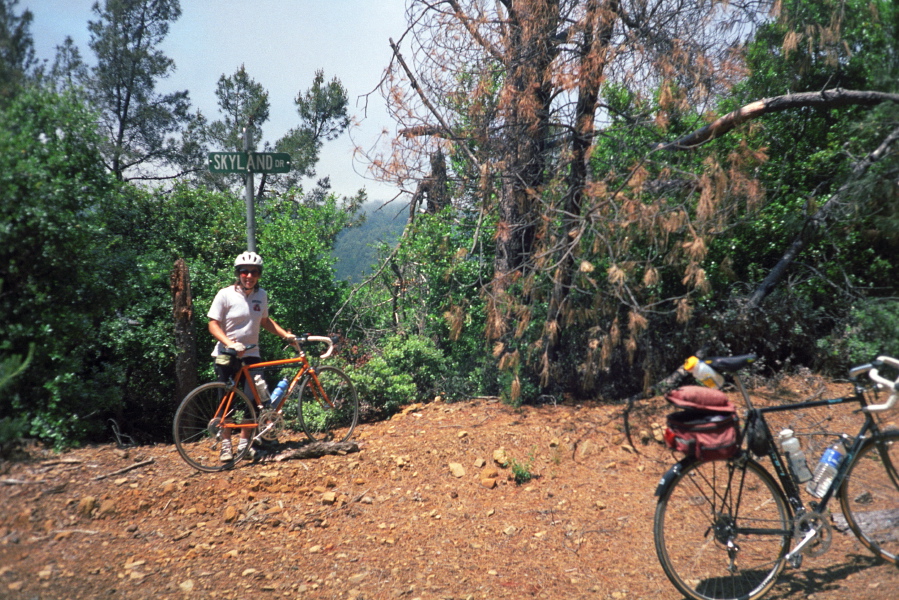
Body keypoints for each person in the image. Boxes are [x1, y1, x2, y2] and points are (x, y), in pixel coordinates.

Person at [208, 251, 295, 461]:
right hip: (226, 355)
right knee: (226, 401)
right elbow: (213, 324)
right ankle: (226, 447)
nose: (249, 276)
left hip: (252, 354)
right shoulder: (225, 294)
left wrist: (286, 335)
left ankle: (244, 447)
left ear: (259, 274)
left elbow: (265, 321)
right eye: (245, 271)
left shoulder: (261, 295)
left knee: (252, 399)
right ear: (238, 273)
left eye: (254, 272)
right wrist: (230, 343)